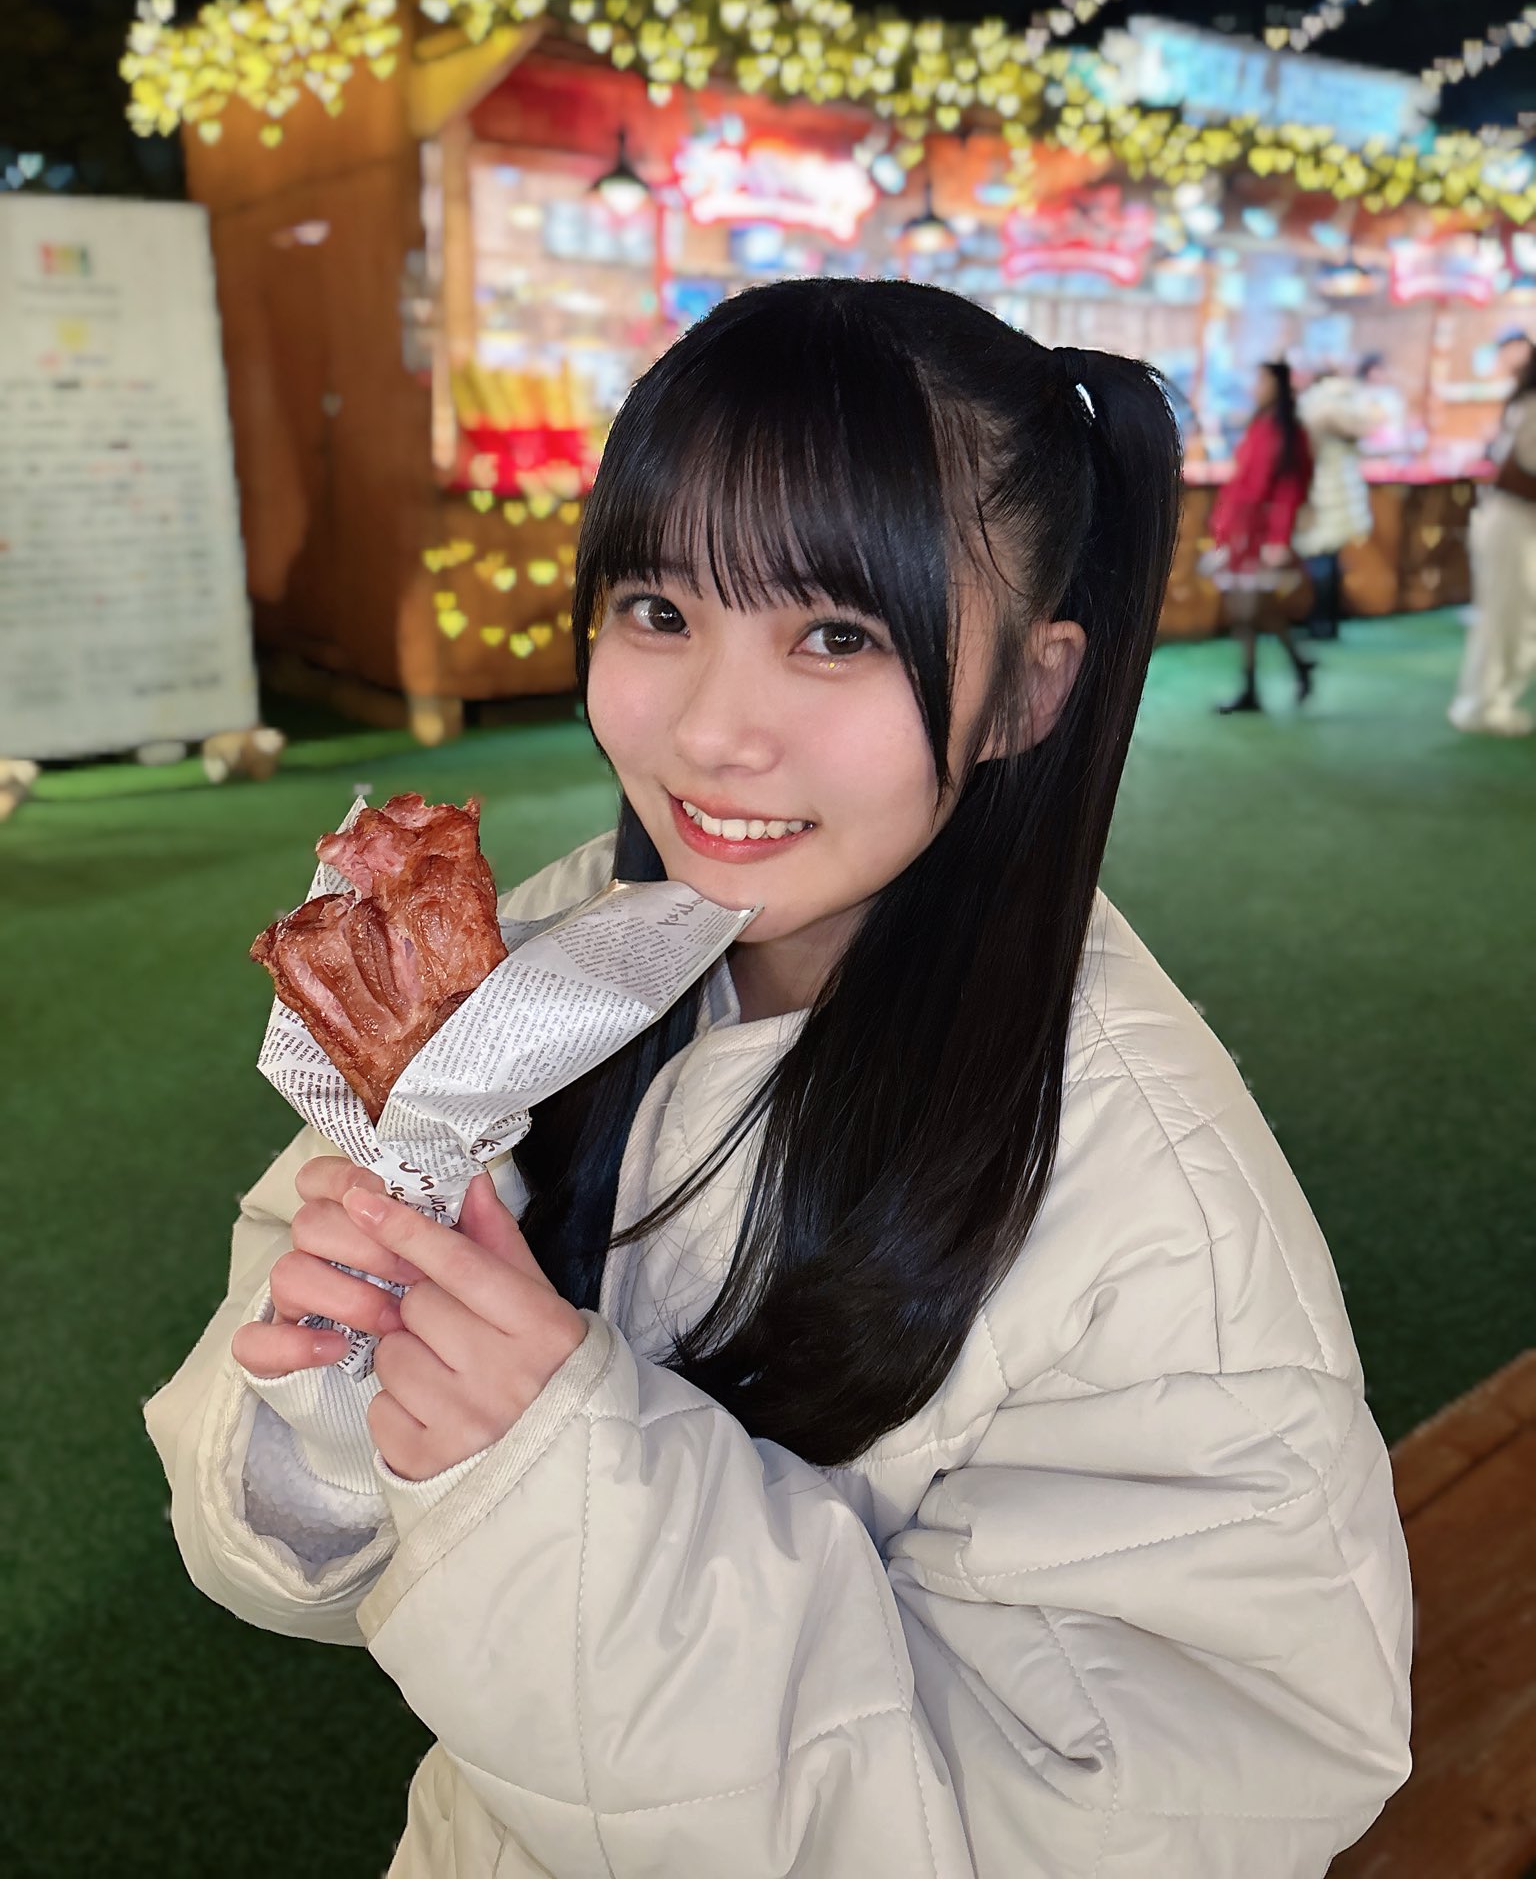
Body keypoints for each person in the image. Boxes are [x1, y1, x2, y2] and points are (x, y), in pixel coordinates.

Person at [145, 281, 1411, 1878]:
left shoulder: (1156, 1215)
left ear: (1030, 691)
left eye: (836, 635)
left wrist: (550, 1465)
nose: (711, 734)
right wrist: (326, 1414)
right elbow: (269, 1544)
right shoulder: (546, 953)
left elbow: (1145, 1815)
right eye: (659, 611)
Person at [1206, 360, 1317, 712]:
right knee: (1252, 611)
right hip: (1241, 533)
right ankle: (1291, 667)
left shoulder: (1286, 432)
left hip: (1260, 536)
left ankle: (1257, 684)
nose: (1256, 387)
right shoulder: (1261, 425)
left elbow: (1289, 489)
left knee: (1249, 610)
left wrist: (1278, 539)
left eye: (1262, 381)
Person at [1449, 344, 1536, 735]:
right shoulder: (1531, 407)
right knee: (1506, 617)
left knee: (1515, 617)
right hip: (1513, 522)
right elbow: (1523, 472)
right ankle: (1483, 705)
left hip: (1517, 522)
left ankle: (1490, 701)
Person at [1295, 359, 1378, 639]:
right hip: (1341, 484)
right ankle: (1329, 615)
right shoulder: (1347, 402)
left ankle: (1322, 618)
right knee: (1329, 555)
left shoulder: (1317, 404)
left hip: (1322, 485)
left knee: (1320, 553)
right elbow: (1365, 430)